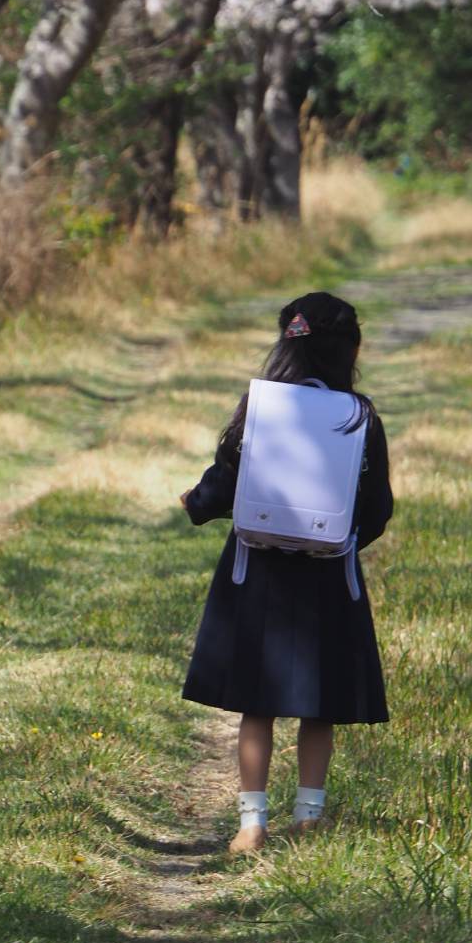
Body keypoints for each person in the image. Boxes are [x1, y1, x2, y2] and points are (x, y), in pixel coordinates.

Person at [180, 292, 393, 854]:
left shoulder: (260, 407)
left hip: (258, 574)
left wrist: (196, 503)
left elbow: (225, 481)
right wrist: (342, 538)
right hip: (330, 577)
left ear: (285, 346)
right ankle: (309, 816)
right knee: (320, 705)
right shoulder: (359, 417)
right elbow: (378, 507)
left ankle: (251, 824)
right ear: (350, 351)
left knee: (258, 704)